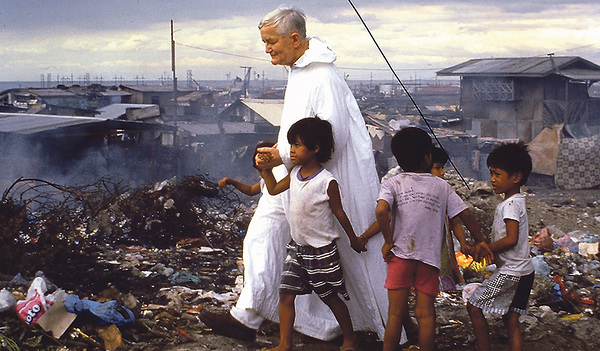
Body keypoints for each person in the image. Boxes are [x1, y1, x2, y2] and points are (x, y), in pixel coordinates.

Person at [200, 6, 391, 343]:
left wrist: (282, 154)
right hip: (293, 176)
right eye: (264, 42)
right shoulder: (299, 72)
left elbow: (333, 135)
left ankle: (343, 328)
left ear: (294, 38)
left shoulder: (322, 76)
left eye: (271, 41)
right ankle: (248, 317)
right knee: (264, 237)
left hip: (317, 180)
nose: (267, 49)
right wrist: (278, 155)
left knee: (327, 258)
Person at [376, 127, 492, 351]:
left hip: (400, 256)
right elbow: (465, 214)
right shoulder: (441, 186)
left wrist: (388, 241)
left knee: (396, 315)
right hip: (429, 260)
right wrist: (480, 240)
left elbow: (381, 211)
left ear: (398, 158)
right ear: (427, 157)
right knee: (426, 315)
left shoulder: (393, 183)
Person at [260, 117, 361, 351]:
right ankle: (285, 344)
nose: (292, 150)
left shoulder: (327, 181)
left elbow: (340, 213)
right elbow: (274, 189)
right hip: (298, 249)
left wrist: (353, 238)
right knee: (286, 294)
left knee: (330, 297)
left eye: (297, 145)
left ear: (315, 148)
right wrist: (265, 170)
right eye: (291, 145)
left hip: (322, 251)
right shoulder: (295, 174)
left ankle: (350, 338)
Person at [466, 142, 534, 351]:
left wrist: (487, 248)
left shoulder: (510, 206)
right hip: (526, 272)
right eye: (491, 173)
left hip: (512, 273)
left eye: (497, 174)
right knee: (511, 320)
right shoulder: (517, 201)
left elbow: (511, 239)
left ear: (516, 177)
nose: (492, 179)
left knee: (473, 306)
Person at [430, 147, 465, 291]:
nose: (442, 173)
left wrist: (463, 244)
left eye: (442, 168)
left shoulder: (442, 191)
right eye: (437, 168)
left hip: (442, 260)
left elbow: (454, 222)